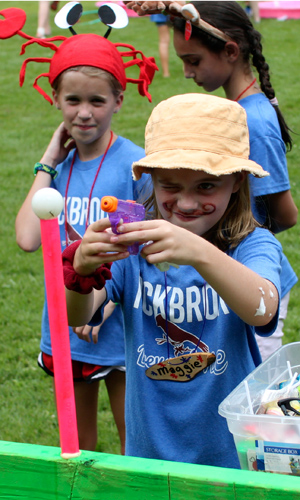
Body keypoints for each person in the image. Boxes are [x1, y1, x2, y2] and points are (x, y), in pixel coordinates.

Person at [63, 93, 282, 468]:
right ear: (150, 180)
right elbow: (77, 315)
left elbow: (262, 308)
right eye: (170, 186)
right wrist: (81, 270)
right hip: (149, 457)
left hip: (231, 457)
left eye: (206, 186)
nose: (186, 203)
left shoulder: (252, 243)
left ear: (237, 182)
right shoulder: (133, 241)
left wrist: (197, 251)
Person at [14, 29, 158, 453]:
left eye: (97, 100)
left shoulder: (134, 164)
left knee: (136, 445)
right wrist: (49, 161)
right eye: (72, 100)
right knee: (77, 449)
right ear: (55, 98)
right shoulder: (57, 168)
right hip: (64, 322)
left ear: (118, 100)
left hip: (117, 324)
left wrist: (105, 308)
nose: (83, 113)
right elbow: (26, 237)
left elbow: (145, 250)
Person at [170, 1, 298, 361]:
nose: (186, 72)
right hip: (227, 268)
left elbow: (286, 215)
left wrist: (228, 230)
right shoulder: (237, 112)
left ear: (230, 51)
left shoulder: (252, 121)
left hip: (252, 273)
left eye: (193, 61)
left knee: (254, 393)